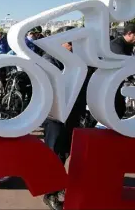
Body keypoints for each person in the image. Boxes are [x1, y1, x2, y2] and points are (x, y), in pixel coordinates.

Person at [42, 26, 96, 210]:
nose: (73, 46)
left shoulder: (81, 59)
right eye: (70, 42)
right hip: (55, 114)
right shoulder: (49, 59)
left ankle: (57, 187)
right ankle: (50, 193)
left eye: (76, 42)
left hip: (74, 111)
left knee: (65, 151)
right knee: (54, 152)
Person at [110, 23, 135, 118]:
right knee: (114, 110)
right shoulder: (116, 45)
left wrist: (133, 79)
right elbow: (124, 63)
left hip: (117, 83)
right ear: (130, 33)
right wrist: (133, 79)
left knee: (120, 109)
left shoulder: (129, 44)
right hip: (107, 84)